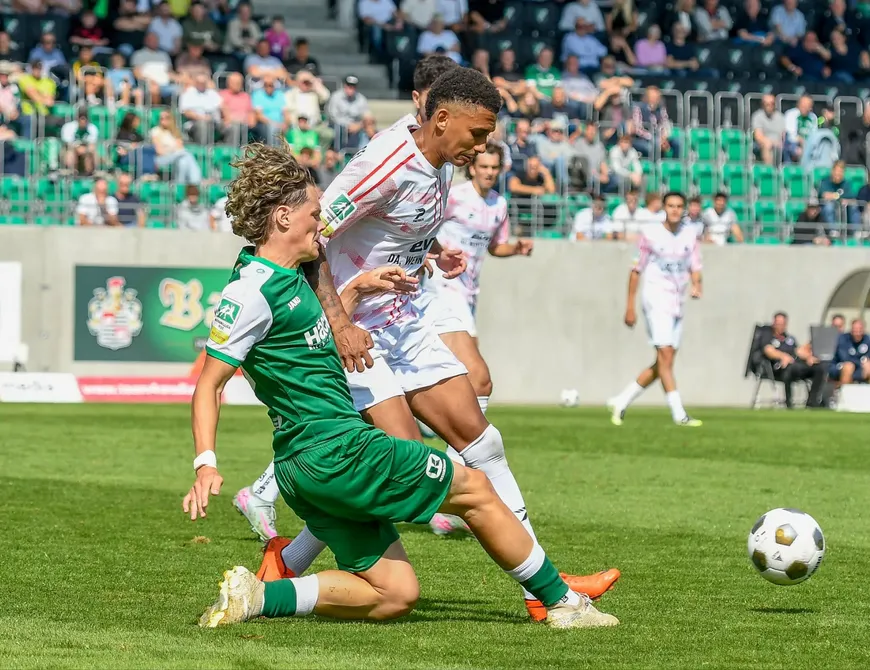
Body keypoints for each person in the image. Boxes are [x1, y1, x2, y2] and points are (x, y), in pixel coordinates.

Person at [233, 67, 619, 621]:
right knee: (400, 463)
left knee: (481, 442)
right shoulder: (383, 163)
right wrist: (339, 323)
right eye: (478, 134)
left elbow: (398, 226)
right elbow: (313, 237)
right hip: (360, 331)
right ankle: (290, 565)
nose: (484, 146)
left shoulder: (439, 162)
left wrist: (432, 251)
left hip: (405, 322)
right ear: (441, 119)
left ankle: (540, 586)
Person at [413, 142, 533, 528]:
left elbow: (496, 246)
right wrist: (430, 258)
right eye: (484, 165)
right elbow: (423, 227)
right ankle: (452, 481)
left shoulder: (498, 205)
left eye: (495, 167)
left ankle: (428, 434)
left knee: (464, 385)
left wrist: (516, 249)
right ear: (472, 167)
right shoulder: (454, 196)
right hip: (440, 291)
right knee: (477, 379)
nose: (489, 172)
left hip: (468, 296)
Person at [608, 192, 703, 426]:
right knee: (665, 355)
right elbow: (635, 270)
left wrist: (697, 285)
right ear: (663, 207)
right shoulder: (650, 233)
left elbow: (696, 267)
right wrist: (630, 306)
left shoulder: (690, 235)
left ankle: (621, 400)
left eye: (679, 206)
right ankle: (679, 414)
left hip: (677, 302)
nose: (674, 210)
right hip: (655, 298)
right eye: (670, 205)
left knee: (665, 362)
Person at [761, 311, 826, 408]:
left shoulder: (790, 339)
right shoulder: (768, 337)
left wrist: (808, 358)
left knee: (819, 368)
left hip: (797, 366)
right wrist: (783, 356)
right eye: (778, 323)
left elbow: (797, 351)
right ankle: (789, 403)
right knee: (789, 369)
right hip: (779, 368)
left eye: (782, 323)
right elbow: (768, 350)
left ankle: (812, 401)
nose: (780, 326)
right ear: (774, 323)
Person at [830, 318, 870, 385]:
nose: (857, 332)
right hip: (840, 366)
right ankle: (844, 392)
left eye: (860, 329)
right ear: (851, 330)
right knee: (849, 366)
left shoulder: (867, 339)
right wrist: (861, 363)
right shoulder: (843, 339)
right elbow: (845, 358)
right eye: (855, 329)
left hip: (860, 368)